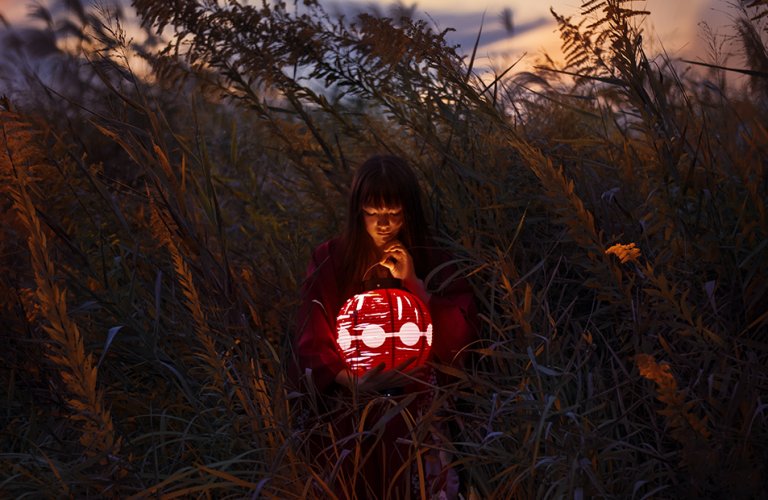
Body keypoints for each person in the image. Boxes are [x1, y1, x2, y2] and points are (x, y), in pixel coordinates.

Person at [293, 154, 477, 498]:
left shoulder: (430, 257)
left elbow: (462, 328)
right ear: (357, 210)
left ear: (409, 210)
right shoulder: (331, 259)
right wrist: (355, 383)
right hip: (352, 407)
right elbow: (311, 337)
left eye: (394, 213)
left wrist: (415, 286)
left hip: (419, 404)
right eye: (373, 213)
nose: (383, 224)